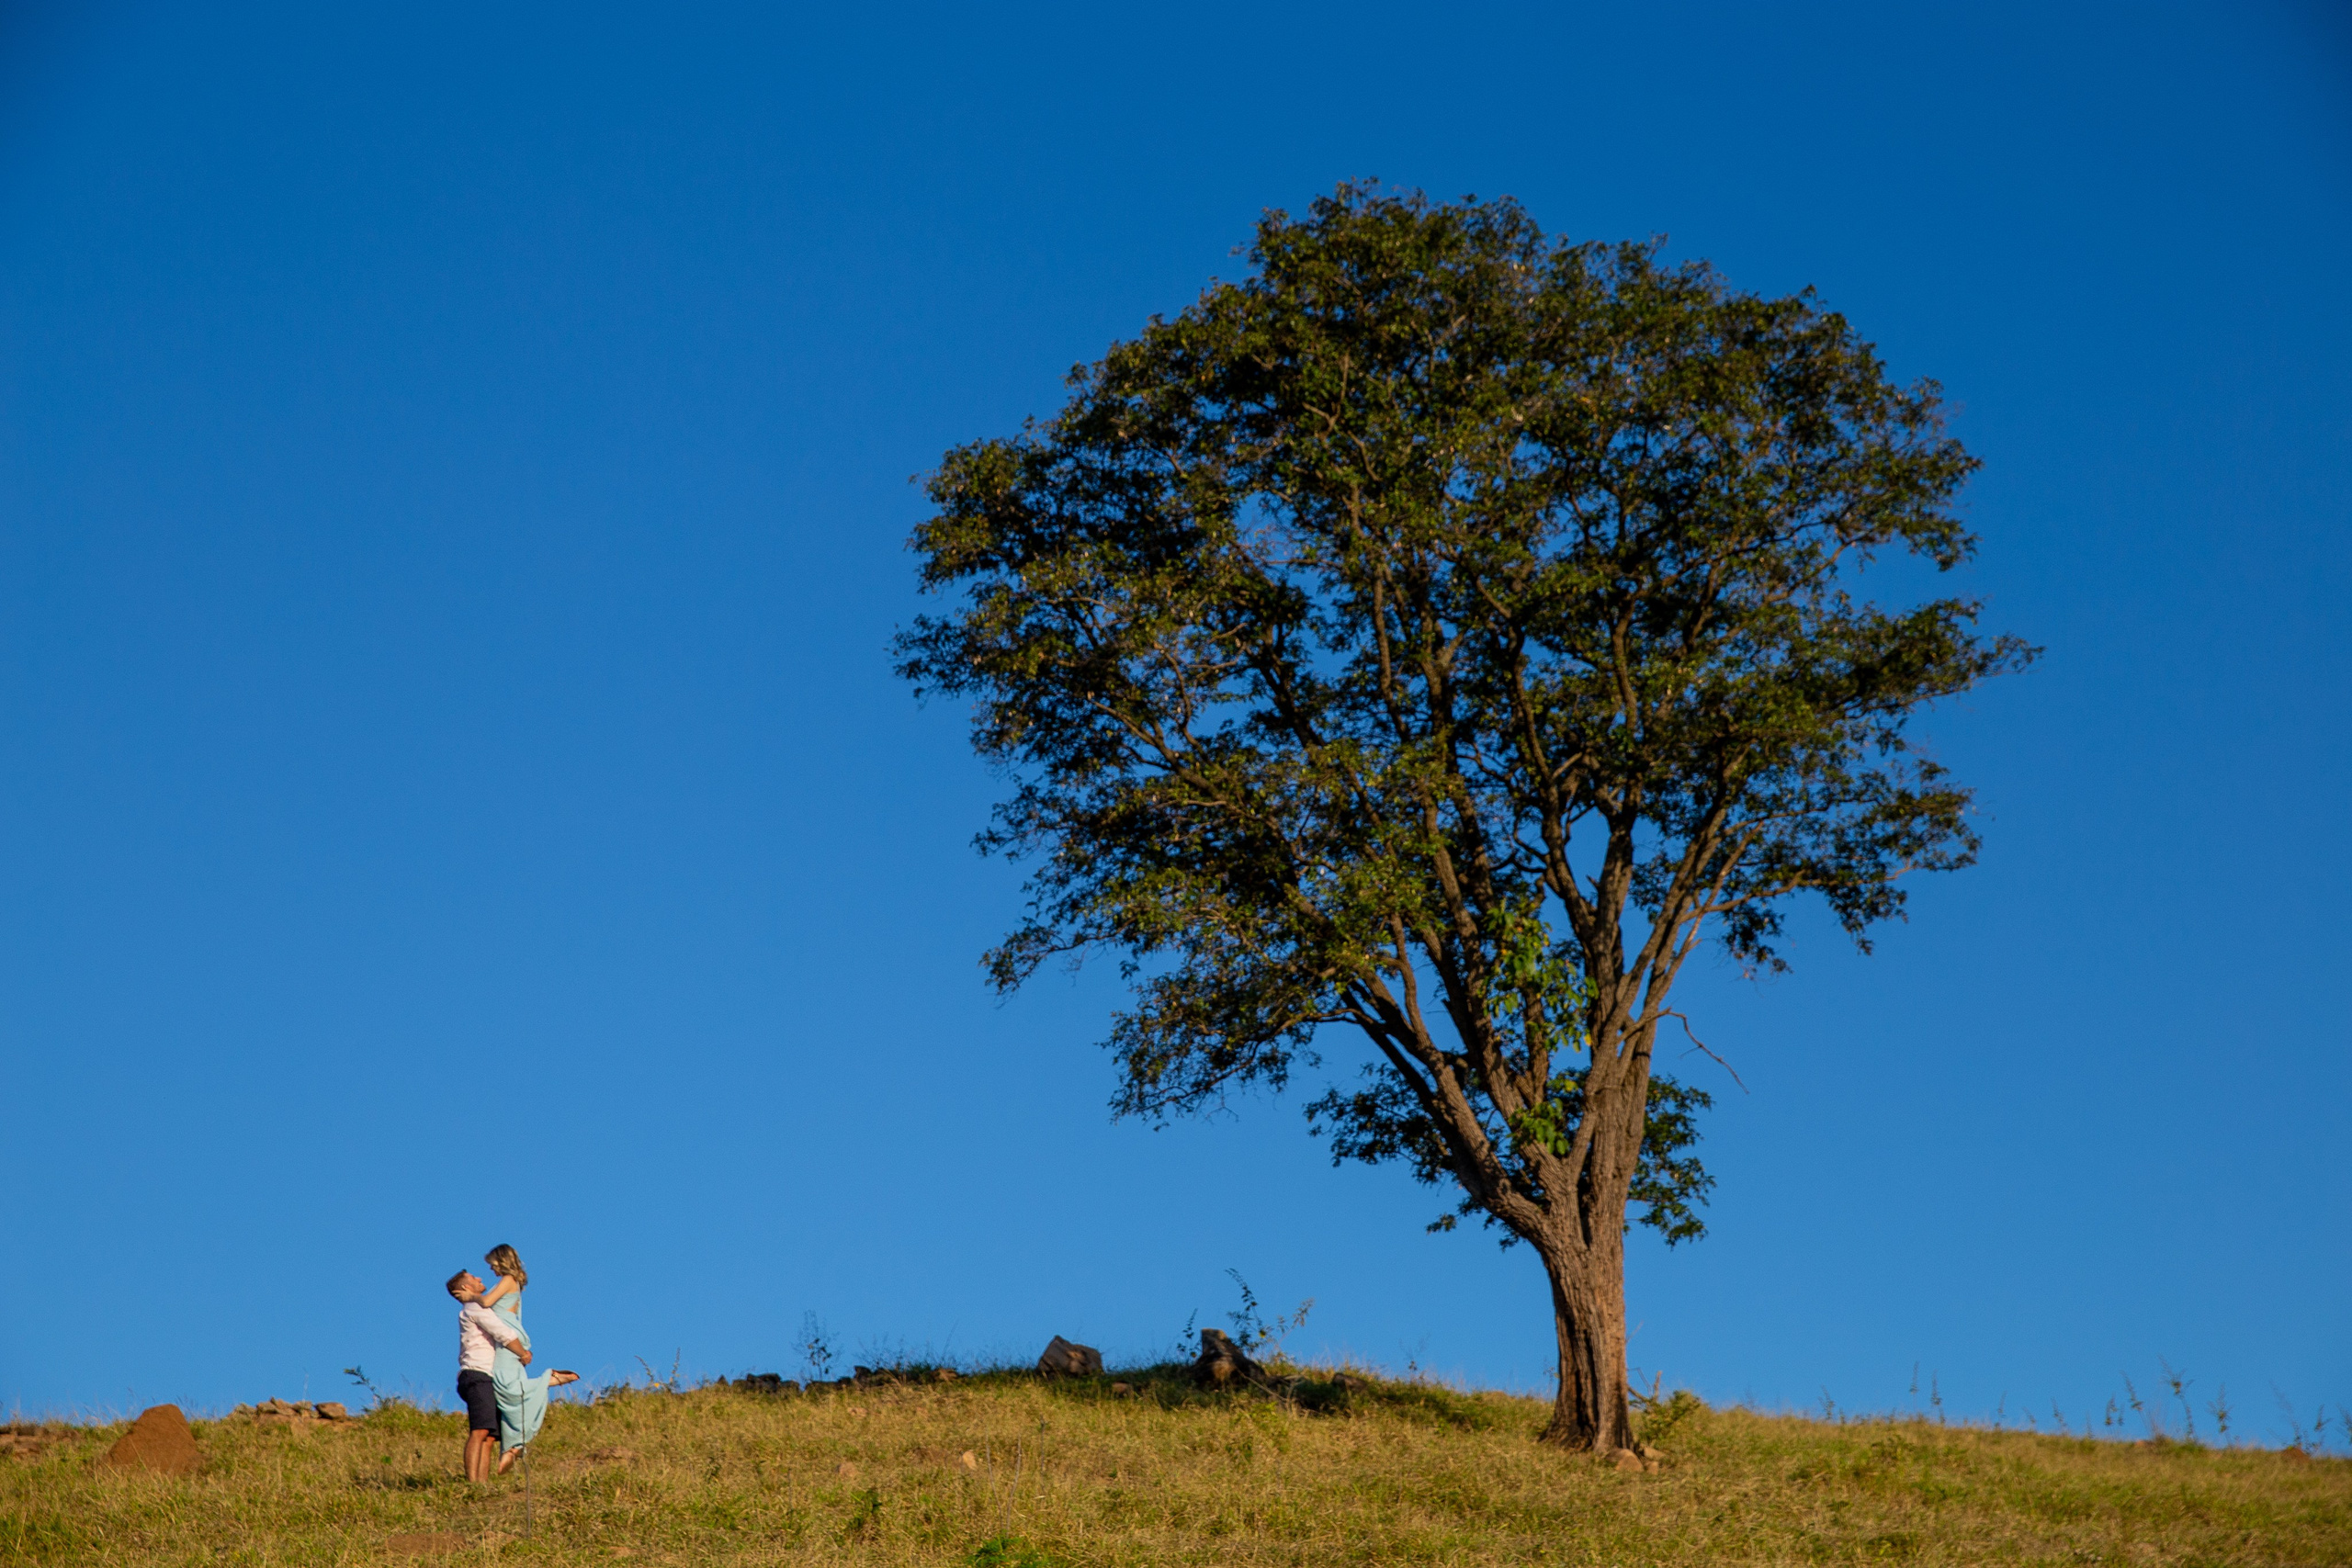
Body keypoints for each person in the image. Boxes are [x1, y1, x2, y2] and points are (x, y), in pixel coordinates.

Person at [479, 1243, 574, 1473]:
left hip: (508, 1340)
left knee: (505, 1387)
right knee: (506, 1393)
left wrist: (468, 1295)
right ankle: (513, 1447)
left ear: (501, 1261)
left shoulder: (508, 1279)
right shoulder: (512, 1282)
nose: (491, 1269)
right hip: (507, 1339)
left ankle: (548, 1379)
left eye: (492, 1264)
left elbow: (487, 1302)